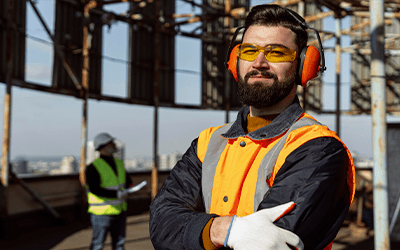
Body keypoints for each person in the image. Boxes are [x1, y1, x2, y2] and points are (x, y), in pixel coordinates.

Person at [149, 4, 355, 250]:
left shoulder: (318, 149)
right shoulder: (209, 142)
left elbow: (269, 241)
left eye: (276, 53)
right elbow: (162, 221)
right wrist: (221, 230)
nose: (259, 62)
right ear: (236, 62)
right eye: (248, 51)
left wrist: (196, 232)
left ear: (304, 66)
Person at [85, 132, 133, 250]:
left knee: (119, 244)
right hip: (102, 213)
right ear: (103, 146)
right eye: (111, 143)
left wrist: (131, 188)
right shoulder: (93, 167)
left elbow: (127, 181)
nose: (114, 145)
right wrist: (117, 194)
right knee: (98, 245)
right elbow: (95, 189)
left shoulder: (119, 163)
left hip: (120, 211)